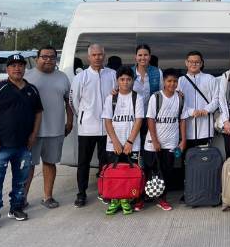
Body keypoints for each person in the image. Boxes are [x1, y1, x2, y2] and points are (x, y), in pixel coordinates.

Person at [0, 54, 43, 229]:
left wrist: (33, 135)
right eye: (13, 65)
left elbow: (38, 113)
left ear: (25, 68)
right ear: (7, 69)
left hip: (24, 145)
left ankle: (16, 207)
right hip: (0, 145)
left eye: (20, 65)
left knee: (21, 179)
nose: (17, 68)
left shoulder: (32, 90)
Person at [23, 46, 73, 209]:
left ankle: (48, 197)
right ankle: (21, 198)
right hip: (32, 132)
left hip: (55, 130)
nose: (48, 60)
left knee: (50, 163)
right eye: (44, 56)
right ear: (37, 58)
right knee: (28, 166)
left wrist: (69, 122)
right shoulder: (27, 77)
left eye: (52, 57)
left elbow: (69, 103)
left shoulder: (62, 78)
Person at [70, 44, 117, 208]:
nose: (97, 57)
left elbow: (116, 96)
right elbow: (74, 101)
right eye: (94, 55)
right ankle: (81, 193)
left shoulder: (112, 74)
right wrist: (82, 116)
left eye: (100, 55)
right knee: (83, 162)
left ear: (104, 56)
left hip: (107, 128)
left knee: (106, 162)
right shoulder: (81, 77)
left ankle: (105, 191)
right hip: (87, 128)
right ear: (89, 57)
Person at [143, 69, 188, 211]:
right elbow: (150, 119)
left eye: (175, 81)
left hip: (171, 142)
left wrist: (183, 140)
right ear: (164, 82)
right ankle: (143, 197)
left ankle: (162, 198)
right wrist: (155, 140)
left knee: (167, 171)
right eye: (169, 81)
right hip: (153, 143)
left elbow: (182, 120)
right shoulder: (156, 97)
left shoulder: (180, 98)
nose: (172, 84)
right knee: (149, 170)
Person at [103, 66, 145, 215]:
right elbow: (107, 121)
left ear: (132, 81)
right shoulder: (111, 98)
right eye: (122, 79)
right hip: (113, 144)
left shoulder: (137, 97)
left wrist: (129, 142)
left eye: (128, 79)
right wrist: (115, 141)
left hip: (131, 144)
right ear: (117, 81)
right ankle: (115, 200)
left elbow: (138, 121)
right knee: (114, 174)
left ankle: (126, 199)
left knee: (128, 174)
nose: (125, 82)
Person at [178, 51, 218, 148]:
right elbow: (178, 102)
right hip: (186, 129)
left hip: (206, 128)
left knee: (204, 158)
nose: (194, 64)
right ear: (186, 63)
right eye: (191, 61)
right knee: (187, 158)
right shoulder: (180, 80)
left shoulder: (210, 79)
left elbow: (217, 99)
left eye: (197, 62)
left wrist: (206, 110)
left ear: (201, 63)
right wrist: (191, 111)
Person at [131, 44, 162, 148]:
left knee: (149, 146)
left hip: (152, 117)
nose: (142, 58)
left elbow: (162, 94)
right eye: (140, 55)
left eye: (145, 55)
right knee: (135, 145)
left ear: (150, 56)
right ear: (135, 57)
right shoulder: (129, 72)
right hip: (134, 117)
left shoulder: (157, 72)